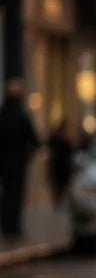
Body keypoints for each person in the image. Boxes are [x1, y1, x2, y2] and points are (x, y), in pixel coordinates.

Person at [0, 77, 40, 240]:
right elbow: (34, 140)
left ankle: (7, 227)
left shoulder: (4, 115)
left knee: (7, 195)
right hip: (16, 164)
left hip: (5, 164)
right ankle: (12, 227)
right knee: (14, 196)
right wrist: (26, 156)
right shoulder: (21, 116)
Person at [47, 119, 76, 208]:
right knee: (57, 184)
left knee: (61, 184)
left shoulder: (62, 140)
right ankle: (57, 201)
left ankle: (58, 201)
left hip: (62, 165)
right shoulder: (57, 139)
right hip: (58, 165)